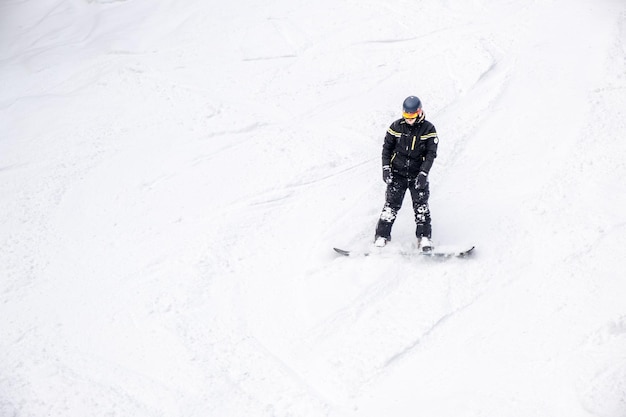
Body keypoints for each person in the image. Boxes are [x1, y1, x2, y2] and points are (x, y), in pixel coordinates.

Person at [374, 96, 439, 251]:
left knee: (421, 207)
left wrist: (423, 173)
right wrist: (386, 168)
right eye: (406, 116)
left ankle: (424, 238)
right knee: (391, 206)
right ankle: (382, 236)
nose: (409, 120)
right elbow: (386, 149)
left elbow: (431, 154)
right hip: (398, 173)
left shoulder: (429, 129)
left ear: (419, 112)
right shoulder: (396, 127)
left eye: (412, 116)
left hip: (417, 174)